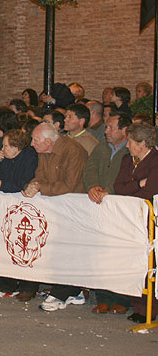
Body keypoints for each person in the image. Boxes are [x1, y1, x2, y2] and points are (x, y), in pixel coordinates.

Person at [22, 123, 88, 311]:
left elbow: (70, 184)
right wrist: (34, 185)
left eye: (35, 140)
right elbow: (40, 174)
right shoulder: (44, 151)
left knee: (69, 250)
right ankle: (73, 291)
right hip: (55, 207)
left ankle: (63, 292)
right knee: (57, 249)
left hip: (74, 208)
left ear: (48, 141)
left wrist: (41, 187)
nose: (32, 144)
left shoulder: (74, 151)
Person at [83, 111, 131, 314]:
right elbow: (90, 168)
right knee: (100, 252)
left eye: (111, 127)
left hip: (121, 207)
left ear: (125, 130)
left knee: (120, 253)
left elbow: (128, 176)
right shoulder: (101, 147)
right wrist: (93, 186)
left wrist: (108, 191)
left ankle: (122, 297)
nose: (107, 131)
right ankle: (103, 297)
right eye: (107, 126)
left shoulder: (131, 150)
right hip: (99, 205)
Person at [113, 123, 158, 323]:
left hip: (148, 220)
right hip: (130, 218)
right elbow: (118, 187)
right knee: (134, 262)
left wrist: (133, 188)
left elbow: (151, 192)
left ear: (141, 144)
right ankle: (138, 304)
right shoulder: (127, 160)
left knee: (150, 263)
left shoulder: (155, 161)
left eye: (130, 142)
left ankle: (151, 306)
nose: (127, 146)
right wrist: (139, 183)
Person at [0, 129, 38, 297]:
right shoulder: (7, 159)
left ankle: (27, 286)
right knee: (5, 243)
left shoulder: (30, 158)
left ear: (17, 147)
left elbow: (23, 182)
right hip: (8, 210)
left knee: (25, 245)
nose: (3, 149)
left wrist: (2, 184)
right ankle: (4, 282)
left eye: (6, 146)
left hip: (27, 211)